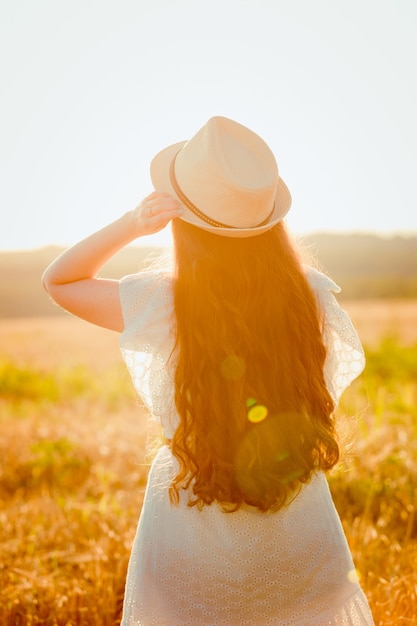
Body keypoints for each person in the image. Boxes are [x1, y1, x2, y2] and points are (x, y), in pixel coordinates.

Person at [42, 116, 374, 625]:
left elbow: (60, 281)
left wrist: (133, 223)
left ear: (183, 221)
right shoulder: (312, 298)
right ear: (268, 220)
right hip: (298, 523)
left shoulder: (162, 303)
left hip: (189, 525)